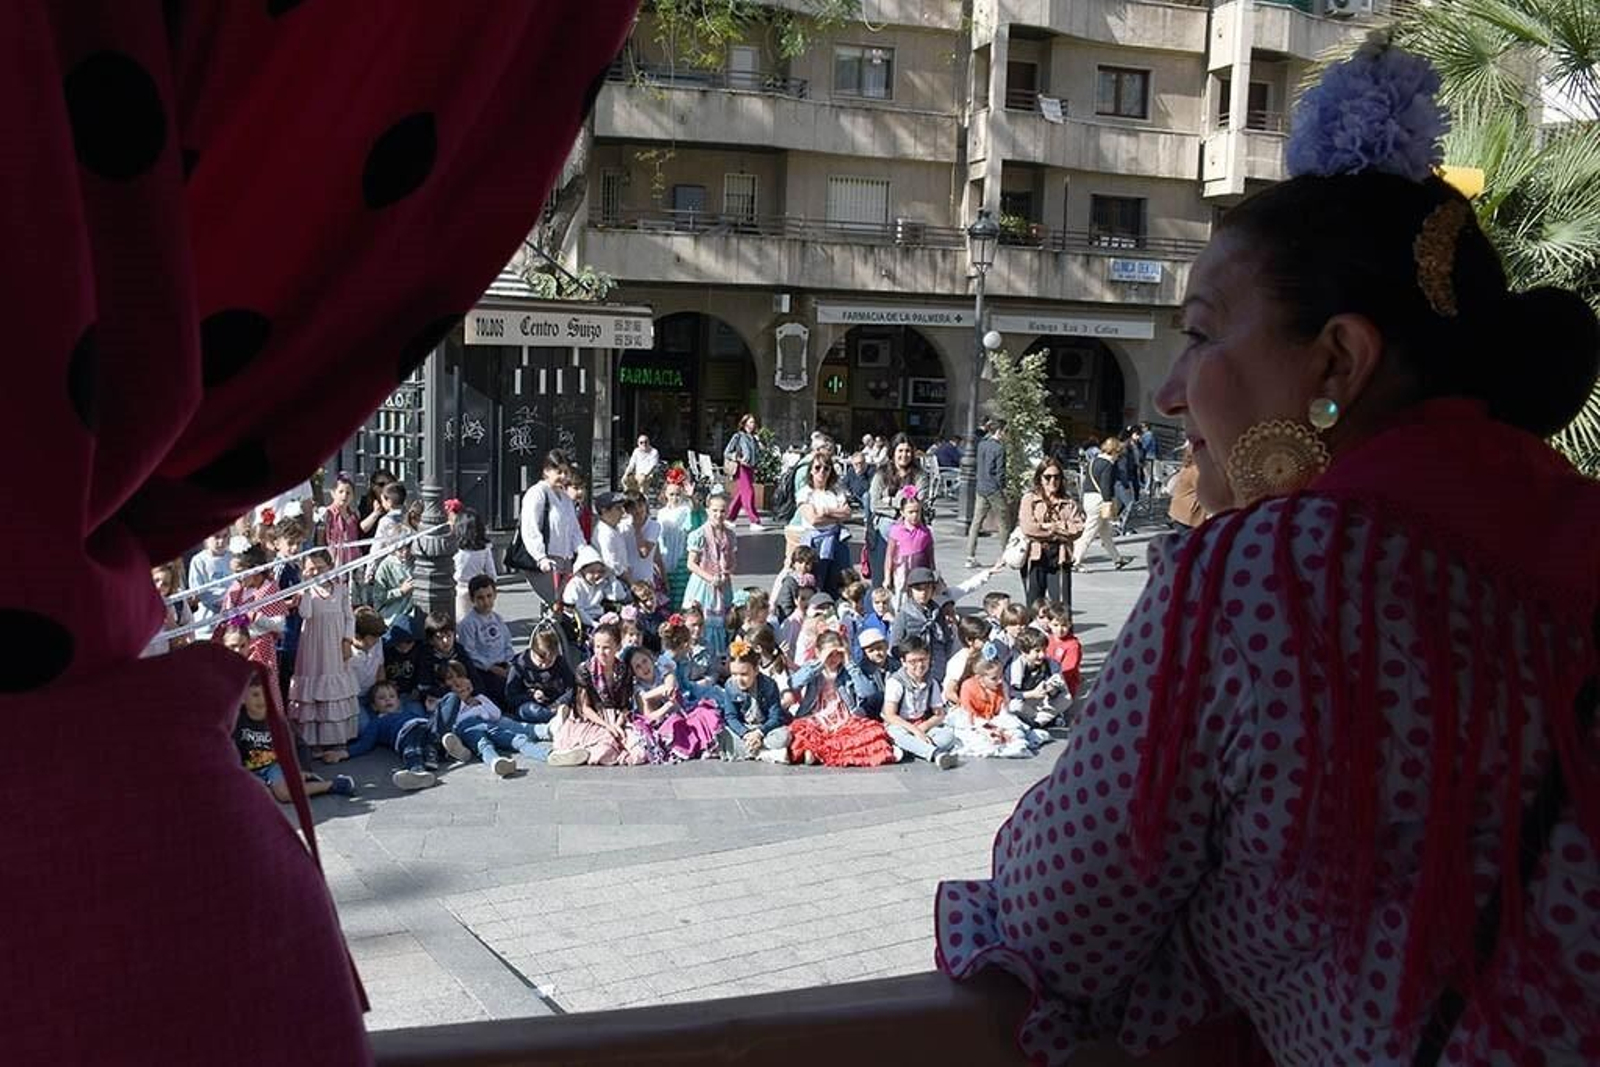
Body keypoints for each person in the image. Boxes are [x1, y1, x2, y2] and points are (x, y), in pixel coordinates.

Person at [935, 42, 1600, 1065]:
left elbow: (1060, 913)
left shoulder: (1263, 574)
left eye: (1201, 334)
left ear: (1335, 361)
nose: (1169, 392)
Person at [285, 549, 360, 762]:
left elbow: (349, 618)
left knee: (334, 688)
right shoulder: (307, 593)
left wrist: (347, 641)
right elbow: (305, 613)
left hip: (335, 647)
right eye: (311, 569)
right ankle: (313, 741)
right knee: (313, 688)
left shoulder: (341, 590)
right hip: (312, 647)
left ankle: (336, 738)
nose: (316, 572)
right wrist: (306, 588)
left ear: (330, 567)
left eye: (320, 568)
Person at [786, 632, 898, 768]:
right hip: (816, 714)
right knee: (804, 742)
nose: (834, 658)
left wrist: (848, 662)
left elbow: (867, 692)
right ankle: (816, 751)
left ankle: (827, 753)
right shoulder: (813, 668)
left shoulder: (847, 670)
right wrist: (820, 662)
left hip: (844, 715)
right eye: (830, 654)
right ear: (819, 652)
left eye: (837, 654)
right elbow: (794, 683)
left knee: (871, 735)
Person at [235, 678, 355, 804]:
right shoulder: (236, 721)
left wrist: (303, 769)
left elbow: (300, 745)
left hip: (274, 765)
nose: (261, 699)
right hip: (247, 768)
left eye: (266, 693)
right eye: (255, 695)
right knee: (255, 795)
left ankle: (333, 784)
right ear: (242, 698)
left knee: (284, 794)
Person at [548, 623, 647, 767]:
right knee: (607, 747)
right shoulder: (585, 670)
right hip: (592, 718)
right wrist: (608, 726)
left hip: (617, 716)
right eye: (597, 647)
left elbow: (625, 705)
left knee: (638, 752)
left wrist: (618, 724)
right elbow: (584, 708)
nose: (601, 652)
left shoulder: (624, 670)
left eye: (606, 647)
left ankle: (584, 752)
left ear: (617, 647)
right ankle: (579, 751)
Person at [435, 661, 543, 776]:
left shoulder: (478, 698)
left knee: (516, 738)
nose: (457, 681)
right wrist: (465, 701)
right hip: (468, 730)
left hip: (488, 725)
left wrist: (480, 703)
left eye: (460, 676)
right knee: (483, 745)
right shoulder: (448, 703)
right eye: (450, 678)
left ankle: (547, 753)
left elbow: (496, 714)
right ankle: (495, 762)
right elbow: (456, 721)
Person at [1017, 457, 1085, 610]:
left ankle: (1062, 634)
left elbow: (1078, 528)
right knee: (1034, 607)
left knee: (1061, 607)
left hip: (1060, 558)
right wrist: (1058, 531)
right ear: (1039, 478)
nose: (1052, 481)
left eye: (1057, 477)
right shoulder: (1029, 499)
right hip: (1034, 557)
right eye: (1047, 477)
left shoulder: (1068, 502)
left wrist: (1050, 527)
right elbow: (1028, 528)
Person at [520, 451, 586, 611]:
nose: (563, 476)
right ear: (547, 471)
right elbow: (530, 527)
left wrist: (584, 552)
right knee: (554, 605)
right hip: (546, 561)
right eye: (559, 472)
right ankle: (547, 634)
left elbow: (574, 530)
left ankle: (555, 634)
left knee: (566, 605)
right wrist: (540, 557)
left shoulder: (564, 497)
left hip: (565, 559)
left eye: (566, 472)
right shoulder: (538, 493)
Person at [880, 636, 958, 769]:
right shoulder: (896, 682)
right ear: (903, 662)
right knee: (895, 734)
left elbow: (939, 714)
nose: (919, 665)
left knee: (948, 736)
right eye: (913, 662)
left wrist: (923, 727)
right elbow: (890, 715)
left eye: (923, 660)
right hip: (900, 725)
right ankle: (935, 754)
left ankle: (908, 750)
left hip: (922, 724)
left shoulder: (931, 683)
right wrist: (915, 731)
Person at [345, 680, 438, 790]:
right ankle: (418, 771)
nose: (388, 699)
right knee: (412, 747)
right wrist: (345, 752)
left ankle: (435, 752)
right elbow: (365, 744)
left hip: (424, 725)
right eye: (381, 698)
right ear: (374, 706)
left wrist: (431, 711)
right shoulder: (377, 722)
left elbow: (427, 720)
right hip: (405, 732)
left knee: (447, 704)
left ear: (398, 702)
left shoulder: (408, 712)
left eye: (392, 696)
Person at [867, 434, 931, 584]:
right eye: (900, 450)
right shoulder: (881, 474)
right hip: (885, 526)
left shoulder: (920, 475)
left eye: (908, 451)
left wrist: (890, 500)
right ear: (893, 452)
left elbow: (919, 502)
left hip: (911, 525)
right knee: (887, 525)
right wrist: (901, 507)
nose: (904, 455)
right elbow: (874, 503)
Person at [682, 490, 736, 664]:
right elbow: (691, 564)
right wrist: (710, 577)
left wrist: (727, 572)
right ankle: (698, 659)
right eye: (715, 510)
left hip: (722, 585)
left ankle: (718, 660)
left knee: (723, 622)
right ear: (708, 510)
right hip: (703, 584)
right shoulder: (699, 534)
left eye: (722, 511)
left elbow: (732, 561)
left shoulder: (730, 535)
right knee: (702, 622)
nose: (718, 515)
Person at [718, 637, 790, 761]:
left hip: (764, 728)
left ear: (756, 670)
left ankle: (751, 751)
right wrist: (745, 733)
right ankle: (764, 754)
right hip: (744, 728)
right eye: (734, 674)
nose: (738, 679)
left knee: (784, 736)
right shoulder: (730, 685)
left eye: (744, 674)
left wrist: (759, 733)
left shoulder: (769, 685)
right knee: (722, 735)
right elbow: (731, 716)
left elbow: (775, 716)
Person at [792, 450, 852, 595]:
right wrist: (836, 514)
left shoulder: (836, 491)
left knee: (839, 580)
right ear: (811, 470)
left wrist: (825, 512)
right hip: (815, 542)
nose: (822, 472)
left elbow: (848, 513)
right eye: (817, 468)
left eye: (826, 468)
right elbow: (813, 519)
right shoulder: (805, 492)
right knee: (816, 580)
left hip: (836, 541)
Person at [1072, 436, 1129, 571]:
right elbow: (1105, 485)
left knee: (1105, 532)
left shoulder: (1094, 461)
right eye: (1118, 453)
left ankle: (1117, 559)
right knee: (1089, 532)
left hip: (1088, 497)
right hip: (1099, 500)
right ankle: (1075, 560)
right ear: (1114, 451)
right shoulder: (1108, 465)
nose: (1118, 457)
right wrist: (1108, 502)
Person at [506, 629, 576, 739]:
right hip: (532, 705)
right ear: (532, 652)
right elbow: (510, 697)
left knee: (572, 704)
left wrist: (558, 703)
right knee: (530, 711)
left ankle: (559, 718)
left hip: (556, 704)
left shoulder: (560, 662)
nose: (544, 666)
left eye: (550, 661)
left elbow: (571, 688)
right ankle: (557, 721)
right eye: (541, 661)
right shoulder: (519, 665)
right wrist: (531, 696)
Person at [456, 575, 514, 705]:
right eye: (480, 598)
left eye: (489, 596)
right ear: (472, 599)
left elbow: (507, 643)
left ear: (495, 595)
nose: (486, 602)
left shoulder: (498, 619)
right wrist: (491, 667)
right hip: (485, 671)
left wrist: (510, 663)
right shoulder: (468, 624)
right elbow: (470, 653)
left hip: (503, 666)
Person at [964, 418, 1013, 570]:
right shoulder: (999, 449)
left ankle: (970, 556)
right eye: (1005, 431)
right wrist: (1003, 489)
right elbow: (1000, 472)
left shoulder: (981, 445)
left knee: (976, 522)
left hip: (981, 487)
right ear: (999, 431)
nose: (1006, 434)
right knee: (1004, 522)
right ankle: (1006, 555)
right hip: (994, 488)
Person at [883, 489, 935, 607]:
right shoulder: (896, 530)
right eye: (910, 512)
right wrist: (887, 577)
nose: (915, 515)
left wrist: (933, 574)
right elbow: (889, 556)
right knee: (901, 602)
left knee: (919, 600)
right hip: (901, 572)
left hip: (919, 572)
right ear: (902, 512)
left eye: (917, 512)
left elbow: (930, 557)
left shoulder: (925, 532)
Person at [656, 466, 699, 608]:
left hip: (681, 553)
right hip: (664, 553)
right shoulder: (661, 513)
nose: (674, 498)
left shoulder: (686, 509)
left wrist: (692, 496)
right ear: (665, 494)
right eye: (672, 494)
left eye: (677, 494)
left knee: (681, 592)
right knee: (665, 590)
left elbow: (696, 512)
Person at [561, 545, 628, 632]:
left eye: (599, 571)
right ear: (582, 570)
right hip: (582, 623)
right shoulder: (575, 585)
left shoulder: (600, 583)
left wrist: (611, 577)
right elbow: (577, 609)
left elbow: (619, 596)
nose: (596, 575)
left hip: (600, 617)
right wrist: (593, 624)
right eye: (592, 572)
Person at [451, 507, 497, 623]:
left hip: (459, 589)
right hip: (478, 589)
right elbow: (491, 573)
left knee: (461, 622)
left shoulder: (456, 549)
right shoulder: (484, 548)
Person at [723, 413, 762, 529]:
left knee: (742, 494)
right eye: (750, 422)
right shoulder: (738, 436)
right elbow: (727, 452)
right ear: (744, 424)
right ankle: (754, 520)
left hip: (751, 468)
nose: (753, 424)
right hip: (742, 468)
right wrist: (738, 458)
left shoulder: (754, 438)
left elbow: (757, 454)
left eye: (754, 422)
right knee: (749, 493)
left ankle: (730, 517)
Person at [321, 473, 364, 567]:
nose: (344, 495)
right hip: (333, 559)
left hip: (352, 559)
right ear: (333, 493)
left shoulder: (354, 516)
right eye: (341, 492)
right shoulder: (327, 513)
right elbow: (321, 539)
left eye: (348, 493)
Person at [590, 490, 632, 581]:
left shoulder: (614, 530)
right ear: (604, 511)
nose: (622, 512)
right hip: (611, 582)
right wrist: (632, 583)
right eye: (618, 508)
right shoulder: (604, 534)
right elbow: (612, 566)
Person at [1166, 444, 1206, 531]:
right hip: (1188, 515)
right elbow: (1206, 491)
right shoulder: (1196, 470)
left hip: (1179, 512)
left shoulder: (1187, 467)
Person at [1114, 426, 1144, 534]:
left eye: (1140, 435)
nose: (1139, 437)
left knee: (1123, 504)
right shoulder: (1125, 448)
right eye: (1137, 434)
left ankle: (1117, 524)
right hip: (1124, 479)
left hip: (1132, 477)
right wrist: (1125, 482)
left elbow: (1139, 461)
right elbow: (1122, 466)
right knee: (1129, 504)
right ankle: (1126, 527)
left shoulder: (1138, 446)